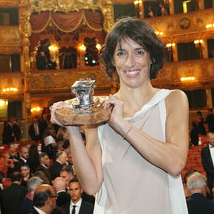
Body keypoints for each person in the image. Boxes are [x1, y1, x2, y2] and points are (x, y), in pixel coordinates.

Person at [50, 17, 189, 213]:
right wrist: (72, 129)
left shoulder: (173, 100)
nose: (130, 63)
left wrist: (122, 124)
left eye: (139, 52)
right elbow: (90, 186)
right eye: (121, 53)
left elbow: (175, 164)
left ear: (152, 57)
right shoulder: (98, 110)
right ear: (113, 61)